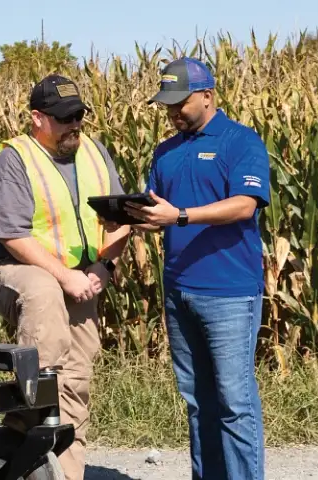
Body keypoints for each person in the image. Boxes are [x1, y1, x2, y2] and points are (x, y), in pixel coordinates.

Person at [0, 73, 133, 480]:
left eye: (79, 115)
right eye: (64, 118)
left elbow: (121, 220)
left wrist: (104, 267)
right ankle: (30, 404)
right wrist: (65, 277)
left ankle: (64, 473)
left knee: (76, 381)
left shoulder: (95, 154)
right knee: (44, 293)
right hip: (11, 271)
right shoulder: (16, 158)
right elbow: (10, 235)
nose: (74, 125)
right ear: (37, 119)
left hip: (82, 279)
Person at [129, 57, 272, 480]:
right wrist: (126, 217)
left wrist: (183, 216)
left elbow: (245, 205)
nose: (173, 112)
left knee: (234, 401)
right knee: (197, 401)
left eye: (180, 103)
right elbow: (159, 210)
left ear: (207, 96)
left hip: (229, 293)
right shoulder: (165, 152)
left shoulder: (240, 142)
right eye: (167, 105)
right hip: (179, 291)